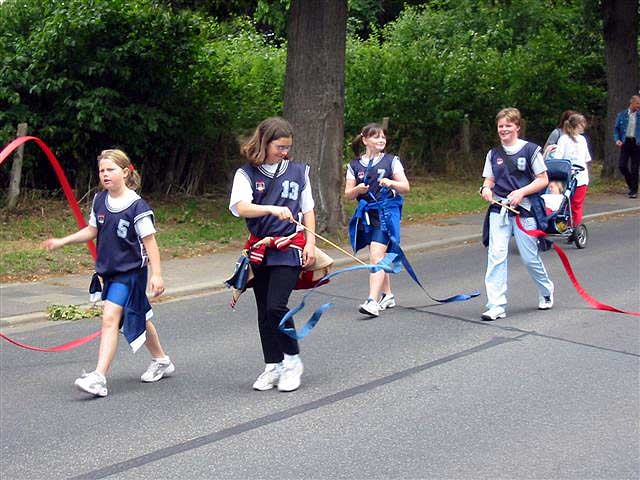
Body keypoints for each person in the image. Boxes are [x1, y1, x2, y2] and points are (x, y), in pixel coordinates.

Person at [42, 149, 174, 397]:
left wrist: (157, 275)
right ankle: (162, 360)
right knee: (138, 317)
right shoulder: (99, 200)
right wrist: (63, 241)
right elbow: (92, 230)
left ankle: (99, 378)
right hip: (109, 273)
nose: (105, 174)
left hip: (131, 273)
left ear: (125, 172)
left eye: (110, 169)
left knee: (110, 317)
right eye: (102, 170)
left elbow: (150, 243)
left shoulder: (137, 206)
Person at [228, 117, 315, 393]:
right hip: (260, 249)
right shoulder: (246, 174)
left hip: (290, 246)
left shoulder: (299, 172)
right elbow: (241, 207)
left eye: (288, 147)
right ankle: (272, 365)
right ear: (265, 142)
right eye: (280, 146)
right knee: (264, 311)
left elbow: (308, 210)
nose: (284, 152)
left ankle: (292, 360)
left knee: (277, 305)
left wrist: (310, 243)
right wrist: (270, 209)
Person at [479, 108, 554, 321]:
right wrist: (486, 189)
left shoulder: (530, 150)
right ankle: (496, 305)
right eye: (501, 126)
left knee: (530, 258)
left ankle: (546, 289)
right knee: (496, 257)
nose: (504, 130)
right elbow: (489, 180)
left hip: (525, 211)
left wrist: (521, 192)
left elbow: (542, 179)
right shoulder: (493, 154)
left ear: (517, 127)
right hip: (499, 210)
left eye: (508, 126)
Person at [344, 123, 410, 317]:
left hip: (386, 213)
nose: (381, 140)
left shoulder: (392, 161)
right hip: (367, 215)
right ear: (365, 140)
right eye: (376, 137)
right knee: (377, 256)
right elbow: (348, 194)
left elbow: (405, 187)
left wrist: (392, 183)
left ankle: (372, 301)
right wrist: (358, 190)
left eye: (383, 137)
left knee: (376, 255)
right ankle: (387, 295)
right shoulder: (354, 165)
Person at [553, 113, 591, 225]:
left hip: (581, 177)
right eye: (582, 124)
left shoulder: (582, 140)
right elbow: (558, 158)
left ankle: (575, 227)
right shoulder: (563, 139)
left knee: (576, 204)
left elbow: (586, 158)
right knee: (565, 202)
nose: (584, 126)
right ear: (577, 125)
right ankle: (567, 224)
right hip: (567, 176)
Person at [614, 95, 640, 198]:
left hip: (637, 143)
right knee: (622, 166)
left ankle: (634, 191)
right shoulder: (622, 115)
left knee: (635, 167)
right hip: (625, 142)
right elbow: (616, 129)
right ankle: (631, 184)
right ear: (632, 103)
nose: (639, 106)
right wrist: (617, 140)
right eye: (637, 103)